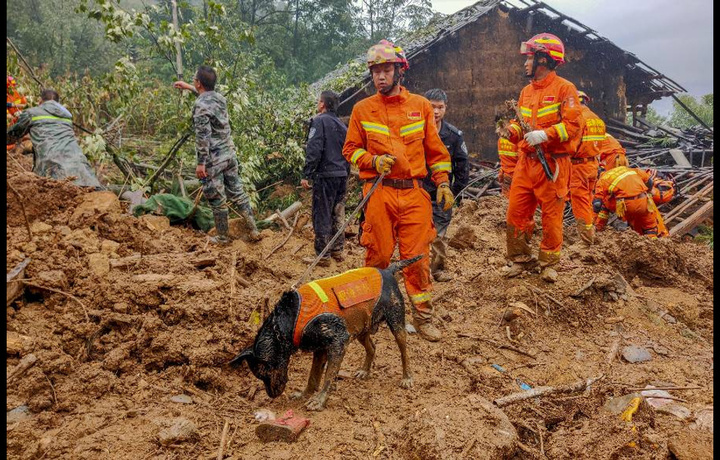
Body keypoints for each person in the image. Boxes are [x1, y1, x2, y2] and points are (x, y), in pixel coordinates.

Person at [342, 39, 454, 342]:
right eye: (376, 71)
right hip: (379, 193)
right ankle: (371, 317)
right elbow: (350, 150)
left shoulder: (420, 106)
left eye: (386, 70)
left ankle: (422, 317)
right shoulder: (362, 109)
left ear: (399, 71)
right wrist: (372, 160)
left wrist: (442, 181)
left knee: (417, 257)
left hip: (414, 192)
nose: (380, 76)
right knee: (377, 256)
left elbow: (436, 150)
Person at [503, 33, 583, 277]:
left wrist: (545, 135)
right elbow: (521, 124)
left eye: (529, 58)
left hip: (552, 165)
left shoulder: (565, 89)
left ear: (543, 60)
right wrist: (511, 131)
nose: (525, 63)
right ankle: (519, 259)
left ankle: (549, 264)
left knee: (551, 217)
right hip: (526, 164)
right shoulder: (525, 92)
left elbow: (574, 126)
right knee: (515, 213)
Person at [173, 65, 261, 245]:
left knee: (216, 198)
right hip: (229, 155)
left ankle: (222, 237)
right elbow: (208, 99)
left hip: (213, 160)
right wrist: (189, 88)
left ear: (199, 83)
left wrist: (201, 163)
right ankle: (254, 229)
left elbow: (203, 137)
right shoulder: (220, 98)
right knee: (238, 192)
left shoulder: (199, 106)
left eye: (194, 80)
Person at [6, 88, 103, 188]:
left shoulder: (32, 113)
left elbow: (13, 135)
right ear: (58, 102)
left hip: (51, 168)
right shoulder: (67, 116)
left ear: (40, 101)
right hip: (80, 167)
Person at [422, 88, 469, 282]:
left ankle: (437, 270)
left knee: (439, 235)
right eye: (432, 107)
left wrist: (455, 191)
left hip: (442, 194)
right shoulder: (415, 132)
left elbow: (462, 165)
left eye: (440, 107)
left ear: (445, 108)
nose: (436, 112)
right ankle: (418, 272)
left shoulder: (453, 135)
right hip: (418, 192)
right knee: (416, 235)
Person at [301, 90, 349, 267]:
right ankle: (337, 249)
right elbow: (348, 152)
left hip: (325, 175)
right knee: (338, 212)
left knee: (322, 213)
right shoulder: (343, 126)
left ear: (322, 104)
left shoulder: (318, 121)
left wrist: (307, 173)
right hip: (342, 175)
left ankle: (323, 255)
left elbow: (314, 148)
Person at [569, 90, 605, 245]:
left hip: (579, 166)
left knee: (580, 202)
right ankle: (592, 232)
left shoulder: (578, 119)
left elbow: (571, 147)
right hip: (592, 165)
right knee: (588, 199)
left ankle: (586, 240)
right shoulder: (597, 120)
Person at [593, 165, 666, 238]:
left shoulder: (602, 179)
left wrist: (594, 216)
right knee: (650, 227)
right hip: (643, 201)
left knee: (605, 203)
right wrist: (648, 191)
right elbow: (649, 182)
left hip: (627, 206)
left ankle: (598, 229)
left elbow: (597, 204)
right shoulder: (627, 169)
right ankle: (652, 241)